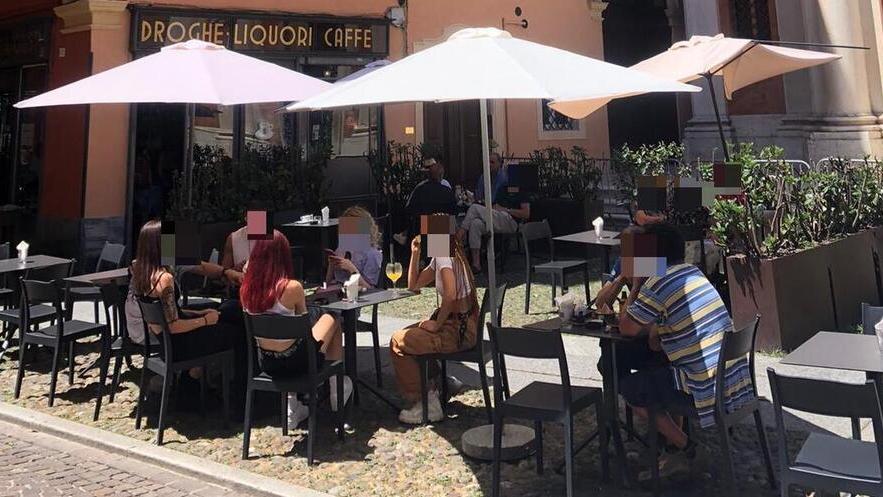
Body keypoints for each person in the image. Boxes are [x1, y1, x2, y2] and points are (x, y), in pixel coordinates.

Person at [613, 222, 754, 480]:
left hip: (704, 388)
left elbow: (626, 328)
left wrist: (634, 285)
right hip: (732, 382)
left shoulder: (659, 282)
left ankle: (687, 448)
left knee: (629, 388)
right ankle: (673, 451)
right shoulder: (692, 273)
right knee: (660, 371)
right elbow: (657, 338)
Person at [240, 230, 350, 426]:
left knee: (296, 336)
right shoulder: (292, 287)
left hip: (267, 362)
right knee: (332, 318)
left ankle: (293, 404)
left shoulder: (246, 290)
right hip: (299, 362)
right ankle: (336, 389)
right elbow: (303, 325)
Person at [129, 220, 240, 388]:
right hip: (175, 342)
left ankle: (195, 380)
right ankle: (197, 383)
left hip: (163, 336)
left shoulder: (140, 270)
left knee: (224, 314)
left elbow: (199, 265)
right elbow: (173, 325)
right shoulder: (164, 278)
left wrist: (200, 313)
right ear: (160, 245)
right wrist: (205, 321)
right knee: (232, 332)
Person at [389, 232, 479, 424]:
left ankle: (426, 402)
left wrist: (437, 324)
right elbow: (414, 285)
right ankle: (440, 383)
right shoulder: (449, 254)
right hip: (463, 327)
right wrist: (415, 254)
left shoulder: (444, 257)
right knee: (410, 335)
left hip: (457, 331)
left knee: (399, 341)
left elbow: (451, 295)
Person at [456, 171, 530, 274]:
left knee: (474, 208)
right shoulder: (502, 189)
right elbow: (494, 206)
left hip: (510, 220)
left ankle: (458, 237)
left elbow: (526, 214)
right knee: (475, 224)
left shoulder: (521, 191)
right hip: (497, 218)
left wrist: (506, 210)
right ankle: (476, 264)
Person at [325, 206, 384, 289]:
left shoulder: (372, 254)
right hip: (338, 290)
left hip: (359, 293)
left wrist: (351, 268)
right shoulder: (342, 249)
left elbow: (370, 289)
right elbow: (328, 283)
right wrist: (331, 265)